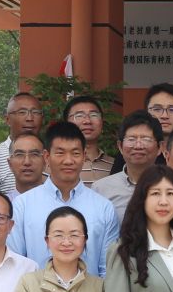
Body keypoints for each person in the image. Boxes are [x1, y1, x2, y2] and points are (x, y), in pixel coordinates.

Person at [11, 121, 116, 274]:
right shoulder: (22, 205)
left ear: (84, 156)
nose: (68, 161)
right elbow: (16, 264)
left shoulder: (103, 207)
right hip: (36, 289)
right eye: (60, 153)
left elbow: (108, 270)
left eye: (75, 153)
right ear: (47, 157)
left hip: (90, 289)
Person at [93, 113, 162, 217]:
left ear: (160, 147)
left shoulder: (171, 186)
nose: (138, 146)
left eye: (146, 139)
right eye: (131, 139)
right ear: (120, 146)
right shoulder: (101, 189)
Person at [0, 90, 45, 193]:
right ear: (7, 119)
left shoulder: (50, 155)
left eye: (35, 112)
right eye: (22, 112)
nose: (30, 118)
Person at [63, 97, 113, 186]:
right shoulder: (54, 164)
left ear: (102, 123)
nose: (87, 121)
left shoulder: (115, 165)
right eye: (79, 116)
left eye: (94, 115)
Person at [6, 133, 48, 198]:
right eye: (19, 155)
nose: (27, 162)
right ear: (10, 164)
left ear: (45, 161)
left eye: (34, 154)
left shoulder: (59, 201)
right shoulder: (3, 203)